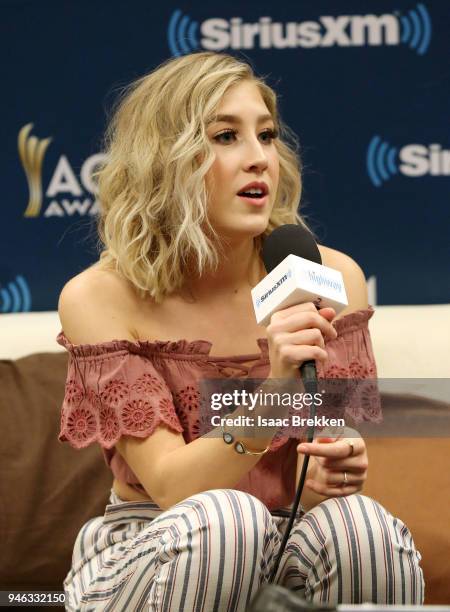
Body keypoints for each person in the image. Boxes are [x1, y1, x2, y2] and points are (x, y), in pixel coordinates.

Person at [57, 52, 424, 610]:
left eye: (267, 135)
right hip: (155, 545)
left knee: (361, 529)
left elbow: (325, 454)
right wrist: (273, 396)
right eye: (226, 136)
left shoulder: (329, 277)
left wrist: (334, 469)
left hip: (291, 542)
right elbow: (176, 490)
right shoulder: (99, 296)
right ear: (166, 159)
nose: (259, 160)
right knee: (228, 519)